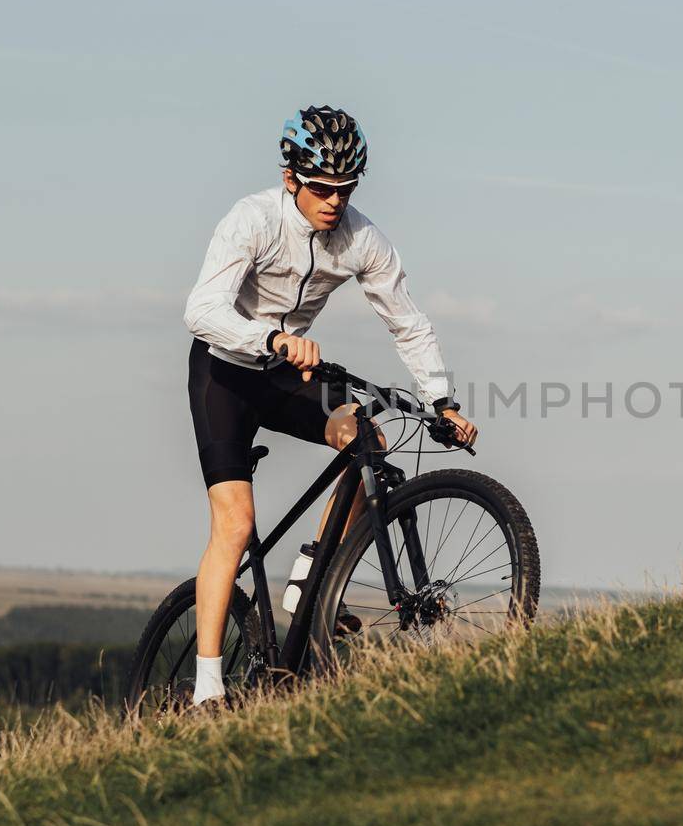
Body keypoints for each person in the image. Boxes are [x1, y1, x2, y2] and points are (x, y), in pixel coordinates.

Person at [182, 105, 478, 705]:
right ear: (291, 178)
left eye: (345, 189)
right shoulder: (253, 220)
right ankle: (207, 689)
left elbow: (409, 324)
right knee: (235, 524)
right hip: (226, 373)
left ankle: (310, 577)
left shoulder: (362, 239)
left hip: (288, 375)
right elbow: (201, 310)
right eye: (321, 188)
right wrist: (269, 338)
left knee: (368, 437)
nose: (334, 201)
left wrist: (441, 400)